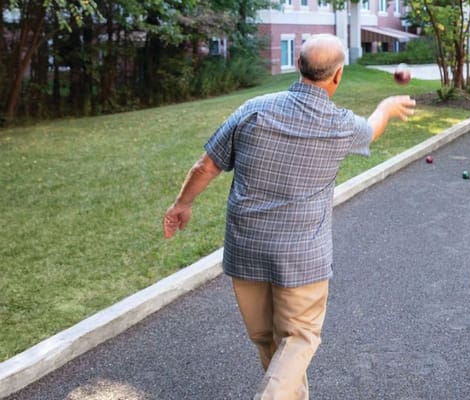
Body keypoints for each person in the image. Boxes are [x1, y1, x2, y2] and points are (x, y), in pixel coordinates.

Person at [162, 34, 415, 399]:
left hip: (246, 250)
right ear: (337, 76)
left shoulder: (254, 109)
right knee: (298, 340)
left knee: (269, 343)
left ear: (298, 66)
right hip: (301, 260)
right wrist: (388, 107)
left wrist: (182, 204)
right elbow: (372, 128)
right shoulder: (340, 125)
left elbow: (206, 165)